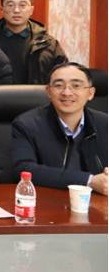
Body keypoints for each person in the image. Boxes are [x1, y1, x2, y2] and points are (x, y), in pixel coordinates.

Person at [11, 63, 108, 194]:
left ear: (90, 93)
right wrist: (89, 181)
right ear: (48, 92)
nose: (67, 92)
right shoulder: (26, 124)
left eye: (76, 86)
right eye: (58, 85)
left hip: (97, 201)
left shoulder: (105, 124)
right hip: (48, 200)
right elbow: (24, 169)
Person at [0, 0, 67, 84]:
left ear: (31, 10)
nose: (16, 10)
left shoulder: (48, 43)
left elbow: (62, 76)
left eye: (22, 5)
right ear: (2, 9)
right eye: (10, 5)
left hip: (37, 94)